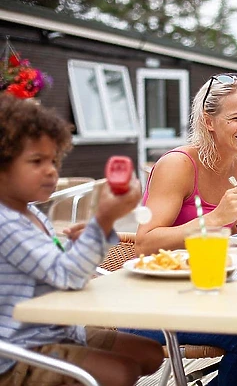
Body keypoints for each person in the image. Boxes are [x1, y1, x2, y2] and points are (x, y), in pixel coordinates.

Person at [0, 93, 164, 386]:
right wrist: (103, 221)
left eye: (53, 159)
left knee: (150, 353)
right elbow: (68, 277)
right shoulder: (5, 223)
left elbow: (56, 269)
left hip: (58, 330)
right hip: (18, 351)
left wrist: (83, 243)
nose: (51, 170)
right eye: (36, 161)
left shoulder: (30, 214)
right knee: (120, 373)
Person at [126, 73, 237, 386]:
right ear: (209, 122)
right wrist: (214, 218)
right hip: (153, 303)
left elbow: (233, 236)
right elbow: (144, 244)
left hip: (211, 292)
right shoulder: (178, 165)